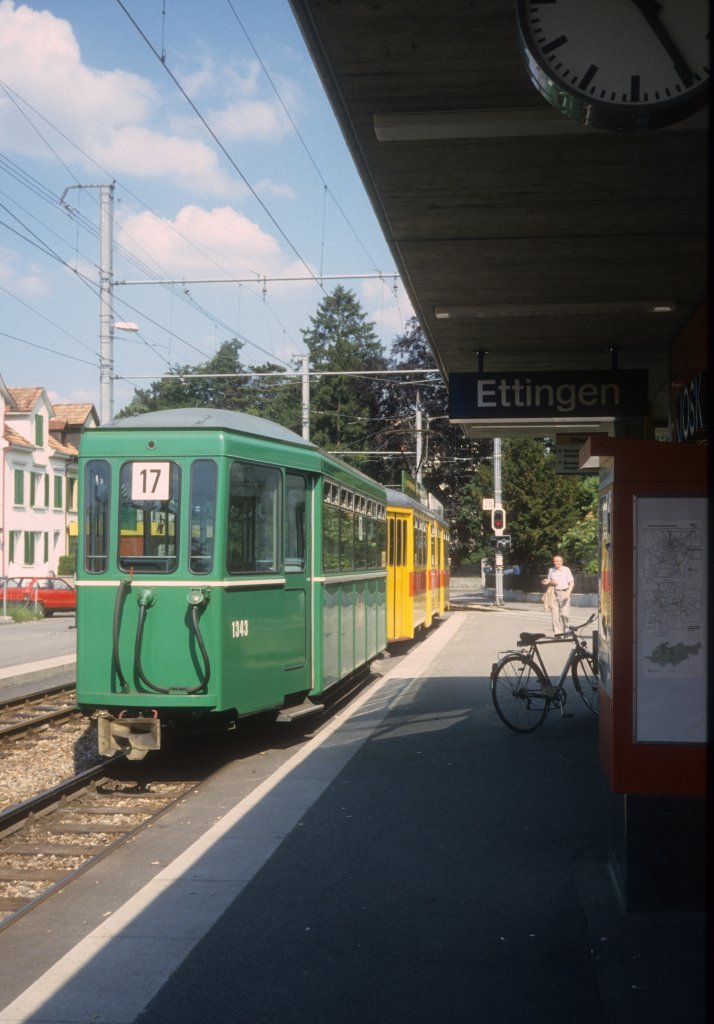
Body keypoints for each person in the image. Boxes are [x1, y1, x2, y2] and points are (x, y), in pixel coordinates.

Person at [542, 554, 574, 635]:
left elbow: (572, 582)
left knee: (564, 614)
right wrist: (551, 582)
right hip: (554, 593)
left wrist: (568, 592)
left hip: (564, 592)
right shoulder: (551, 570)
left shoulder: (566, 569)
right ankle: (558, 632)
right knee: (555, 614)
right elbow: (549, 581)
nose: (555, 563)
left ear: (561, 562)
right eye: (554, 561)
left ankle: (566, 629)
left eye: (557, 561)